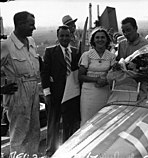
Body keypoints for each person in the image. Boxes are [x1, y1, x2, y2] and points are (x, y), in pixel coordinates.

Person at [1, 11, 40, 157]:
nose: (34, 28)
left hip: (33, 89)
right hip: (18, 91)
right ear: (20, 24)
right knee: (19, 133)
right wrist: (1, 89)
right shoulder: (6, 45)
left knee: (34, 132)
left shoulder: (31, 42)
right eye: (31, 24)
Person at [40, 25, 81, 157]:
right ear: (58, 37)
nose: (64, 38)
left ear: (71, 36)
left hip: (71, 94)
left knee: (69, 123)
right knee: (53, 123)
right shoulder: (50, 51)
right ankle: (51, 151)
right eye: (62, 35)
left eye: (67, 35)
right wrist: (47, 93)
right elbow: (45, 73)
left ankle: (68, 150)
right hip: (55, 94)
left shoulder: (75, 52)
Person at [78, 27, 116, 126]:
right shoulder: (87, 55)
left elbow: (114, 74)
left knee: (103, 121)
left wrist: (106, 81)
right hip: (89, 93)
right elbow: (81, 76)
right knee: (87, 121)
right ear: (93, 40)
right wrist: (96, 80)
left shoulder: (111, 56)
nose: (100, 40)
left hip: (104, 92)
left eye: (103, 37)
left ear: (107, 40)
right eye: (97, 37)